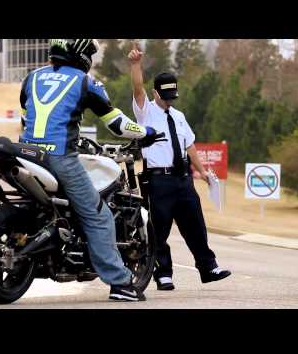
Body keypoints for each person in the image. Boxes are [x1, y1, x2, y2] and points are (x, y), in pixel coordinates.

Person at [20, 39, 159, 301]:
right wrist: (145, 132)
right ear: (80, 53)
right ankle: (120, 284)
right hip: (60, 157)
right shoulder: (85, 82)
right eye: (89, 53)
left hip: (26, 153)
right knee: (99, 216)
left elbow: (28, 113)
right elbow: (116, 124)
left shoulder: (31, 78)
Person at [128, 44, 231, 291]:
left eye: (172, 96)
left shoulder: (179, 116)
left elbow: (190, 146)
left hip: (183, 178)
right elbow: (137, 89)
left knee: (195, 224)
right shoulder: (145, 112)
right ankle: (163, 274)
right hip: (159, 180)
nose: (168, 100)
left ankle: (208, 267)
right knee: (159, 229)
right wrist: (135, 65)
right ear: (156, 93)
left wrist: (203, 171)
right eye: (164, 96)